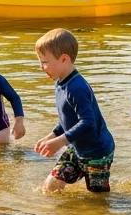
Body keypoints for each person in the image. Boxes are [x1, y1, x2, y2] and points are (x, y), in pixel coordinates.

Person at [33, 28, 115, 193]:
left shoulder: (76, 87)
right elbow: (68, 119)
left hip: (97, 152)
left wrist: (60, 141)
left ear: (64, 59)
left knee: (97, 201)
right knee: (51, 187)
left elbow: (88, 122)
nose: (42, 67)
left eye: (45, 62)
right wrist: (52, 135)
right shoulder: (60, 83)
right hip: (77, 148)